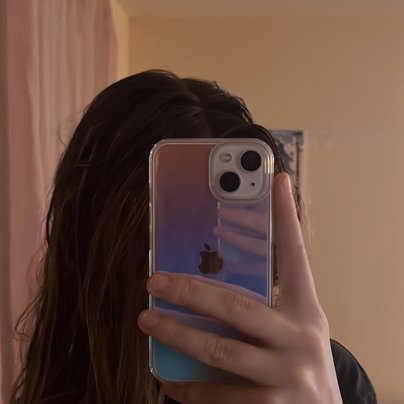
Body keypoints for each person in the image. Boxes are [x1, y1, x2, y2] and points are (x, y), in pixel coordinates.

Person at [11, 70, 376, 403]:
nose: (203, 270)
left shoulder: (332, 380)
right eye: (175, 235)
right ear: (88, 247)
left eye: (224, 235)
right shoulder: (64, 390)